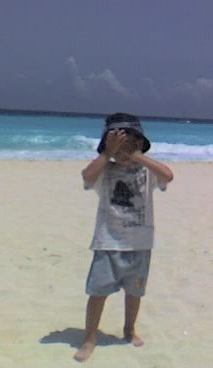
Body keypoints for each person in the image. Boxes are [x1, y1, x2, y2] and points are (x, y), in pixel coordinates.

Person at [73, 112, 173, 362]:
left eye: (130, 143)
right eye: (118, 144)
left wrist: (138, 155)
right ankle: (90, 337)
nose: (124, 150)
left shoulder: (147, 172)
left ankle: (129, 329)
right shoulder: (105, 172)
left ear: (140, 144)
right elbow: (86, 177)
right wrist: (107, 155)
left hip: (140, 244)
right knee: (98, 292)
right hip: (108, 241)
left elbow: (168, 176)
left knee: (135, 292)